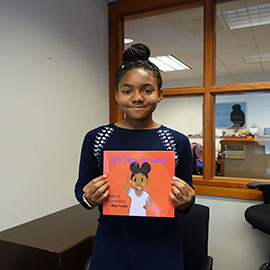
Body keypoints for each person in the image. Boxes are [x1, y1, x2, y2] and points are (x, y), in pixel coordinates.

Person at [74, 43, 195, 270]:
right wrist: (89, 197)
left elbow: (187, 201)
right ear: (116, 95)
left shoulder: (176, 142)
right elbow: (81, 192)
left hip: (162, 248)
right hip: (111, 246)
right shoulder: (97, 138)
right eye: (127, 90)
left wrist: (186, 201)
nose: (137, 98)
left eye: (147, 90)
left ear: (160, 95)